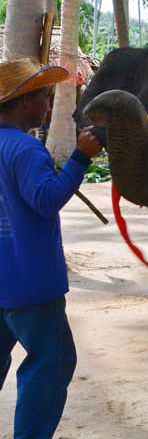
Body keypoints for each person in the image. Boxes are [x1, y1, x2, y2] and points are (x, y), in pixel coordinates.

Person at [0, 59, 102, 439]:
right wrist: (80, 158)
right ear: (25, 101)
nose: (48, 102)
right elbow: (46, 199)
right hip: (31, 287)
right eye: (44, 94)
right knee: (52, 362)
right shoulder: (26, 149)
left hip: (2, 284)